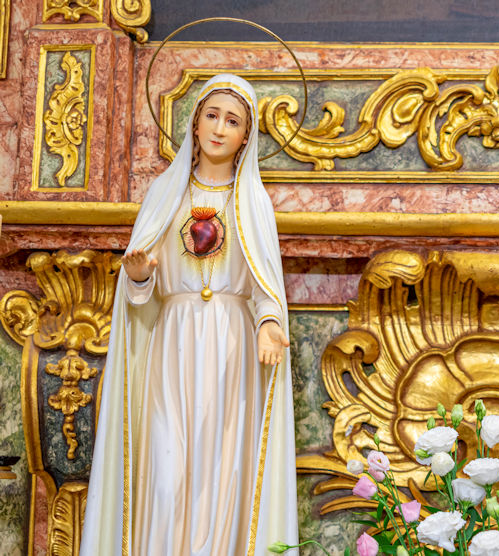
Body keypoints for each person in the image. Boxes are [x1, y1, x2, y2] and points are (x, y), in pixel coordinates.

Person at [80, 74, 299, 555]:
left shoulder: (253, 203)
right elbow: (141, 299)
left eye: (234, 121)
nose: (220, 128)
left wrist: (268, 325)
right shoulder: (166, 194)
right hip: (172, 347)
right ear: (195, 123)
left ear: (247, 137)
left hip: (231, 352)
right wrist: (138, 278)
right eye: (212, 115)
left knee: (221, 475)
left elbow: (265, 287)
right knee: (165, 470)